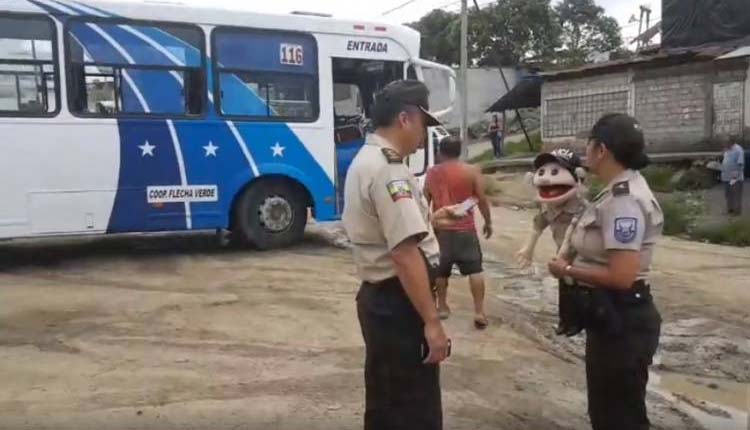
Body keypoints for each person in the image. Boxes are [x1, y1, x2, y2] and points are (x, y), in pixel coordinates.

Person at [342, 80, 452, 430]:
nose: (423, 136)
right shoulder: (389, 168)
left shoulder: (368, 158)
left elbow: (388, 228)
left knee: (387, 399)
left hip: (381, 300)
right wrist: (432, 322)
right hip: (398, 302)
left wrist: (430, 220)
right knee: (413, 408)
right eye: (423, 125)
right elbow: (404, 253)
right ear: (406, 119)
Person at [547, 113, 663, 430]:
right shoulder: (614, 191)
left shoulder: (623, 200)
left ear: (602, 150)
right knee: (610, 409)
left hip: (623, 317)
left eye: (589, 144)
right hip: (611, 315)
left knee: (618, 416)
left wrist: (567, 269)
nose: (586, 150)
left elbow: (622, 276)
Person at [424, 136, 493, 329]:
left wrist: (425, 227)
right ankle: (479, 311)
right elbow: (481, 198)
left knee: (440, 270)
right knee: (475, 270)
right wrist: (488, 222)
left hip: (441, 231)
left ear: (439, 152)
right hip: (466, 230)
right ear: (460, 151)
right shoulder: (472, 171)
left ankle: (443, 307)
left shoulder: (431, 173)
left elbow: (424, 201)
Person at [721, 136, 745, 216]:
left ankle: (737, 211)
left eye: (725, 142)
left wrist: (735, 177)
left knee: (735, 193)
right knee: (728, 193)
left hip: (735, 177)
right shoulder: (726, 149)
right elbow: (725, 161)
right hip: (726, 176)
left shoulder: (738, 150)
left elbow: (740, 164)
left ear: (731, 142)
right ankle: (730, 209)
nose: (724, 144)